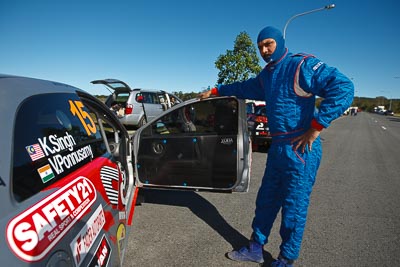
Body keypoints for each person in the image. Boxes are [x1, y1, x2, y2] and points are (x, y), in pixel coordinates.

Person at [199, 26, 354, 266]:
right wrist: (217, 90)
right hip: (278, 147)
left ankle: (286, 259)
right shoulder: (267, 75)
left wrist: (316, 126)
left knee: (294, 207)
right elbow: (243, 87)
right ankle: (255, 248)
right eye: (260, 46)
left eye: (268, 44)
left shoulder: (300, 65)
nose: (264, 50)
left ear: (280, 42)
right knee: (266, 201)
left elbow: (344, 88)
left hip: (301, 149)